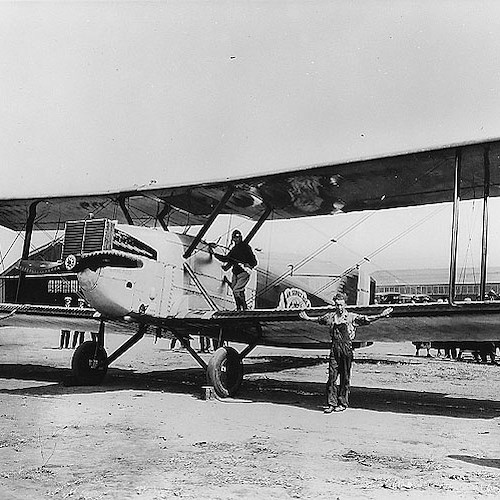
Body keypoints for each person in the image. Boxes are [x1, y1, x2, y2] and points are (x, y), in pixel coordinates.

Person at [300, 292, 393, 413]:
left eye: (341, 305)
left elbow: (367, 319)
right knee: (332, 377)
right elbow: (318, 319)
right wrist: (307, 318)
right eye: (337, 305)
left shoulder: (351, 317)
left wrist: (381, 315)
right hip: (334, 349)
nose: (339, 307)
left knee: (345, 377)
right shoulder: (330, 317)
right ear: (334, 304)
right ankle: (331, 403)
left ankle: (342, 403)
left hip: (346, 349)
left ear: (345, 305)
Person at [209, 230, 257, 311]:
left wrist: (249, 264)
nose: (236, 239)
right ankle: (240, 308)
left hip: (244, 272)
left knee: (236, 290)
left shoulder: (245, 247)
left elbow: (254, 262)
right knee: (237, 291)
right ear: (233, 239)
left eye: (238, 237)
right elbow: (227, 259)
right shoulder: (234, 249)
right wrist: (215, 254)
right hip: (235, 273)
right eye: (235, 237)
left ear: (240, 238)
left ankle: (244, 308)